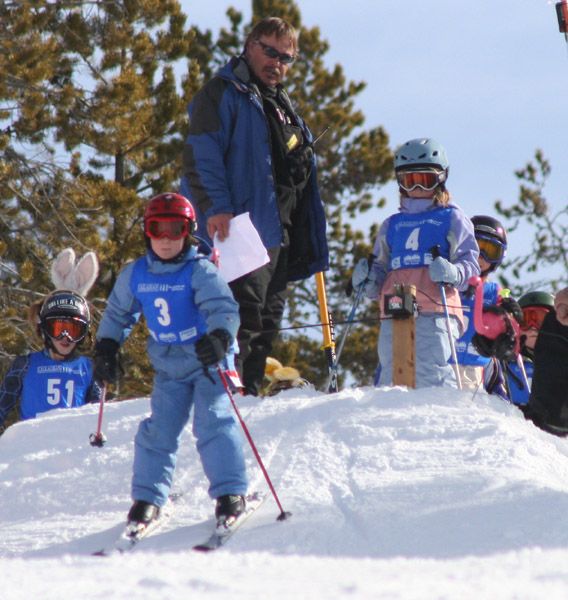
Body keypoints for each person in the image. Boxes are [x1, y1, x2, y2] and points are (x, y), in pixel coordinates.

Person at [180, 16, 329, 396]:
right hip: (237, 227)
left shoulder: (282, 105)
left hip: (278, 229)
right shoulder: (224, 92)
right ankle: (223, 394)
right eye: (270, 51)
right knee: (237, 316)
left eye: (286, 58)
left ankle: (246, 393)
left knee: (266, 322)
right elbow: (202, 155)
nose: (277, 63)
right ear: (249, 45)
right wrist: (215, 207)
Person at [93, 192, 248, 530]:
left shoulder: (200, 271)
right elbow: (119, 313)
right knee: (158, 431)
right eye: (156, 229)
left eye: (174, 229)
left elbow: (223, 308)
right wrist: (106, 346)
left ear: (188, 231)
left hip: (207, 361)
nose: (165, 239)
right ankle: (147, 498)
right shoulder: (135, 274)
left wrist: (220, 338)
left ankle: (230, 492)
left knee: (212, 422)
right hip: (168, 366)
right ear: (147, 232)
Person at [351, 138, 479, 388]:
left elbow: (471, 264)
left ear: (441, 179)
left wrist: (454, 273)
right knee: (392, 371)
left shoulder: (451, 217)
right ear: (400, 183)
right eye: (410, 180)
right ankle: (395, 422)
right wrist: (367, 281)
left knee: (431, 370)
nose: (418, 187)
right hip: (395, 308)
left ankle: (440, 417)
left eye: (426, 179)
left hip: (435, 308)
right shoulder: (392, 224)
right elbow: (380, 267)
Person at [0, 289, 102, 434]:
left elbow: (98, 417)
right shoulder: (25, 365)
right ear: (45, 329)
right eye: (58, 329)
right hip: (30, 445)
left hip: (69, 448)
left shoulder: (88, 368)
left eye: (73, 330)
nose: (65, 337)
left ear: (83, 334)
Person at [454, 216, 508, 390]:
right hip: (443, 364)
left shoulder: (493, 292)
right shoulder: (447, 287)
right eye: (476, 247)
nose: (481, 257)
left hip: (477, 367)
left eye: (490, 251)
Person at [521, 288, 568, 435]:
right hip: (514, 430)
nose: (534, 327)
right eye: (527, 319)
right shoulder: (504, 365)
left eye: (541, 319)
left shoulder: (560, 359)